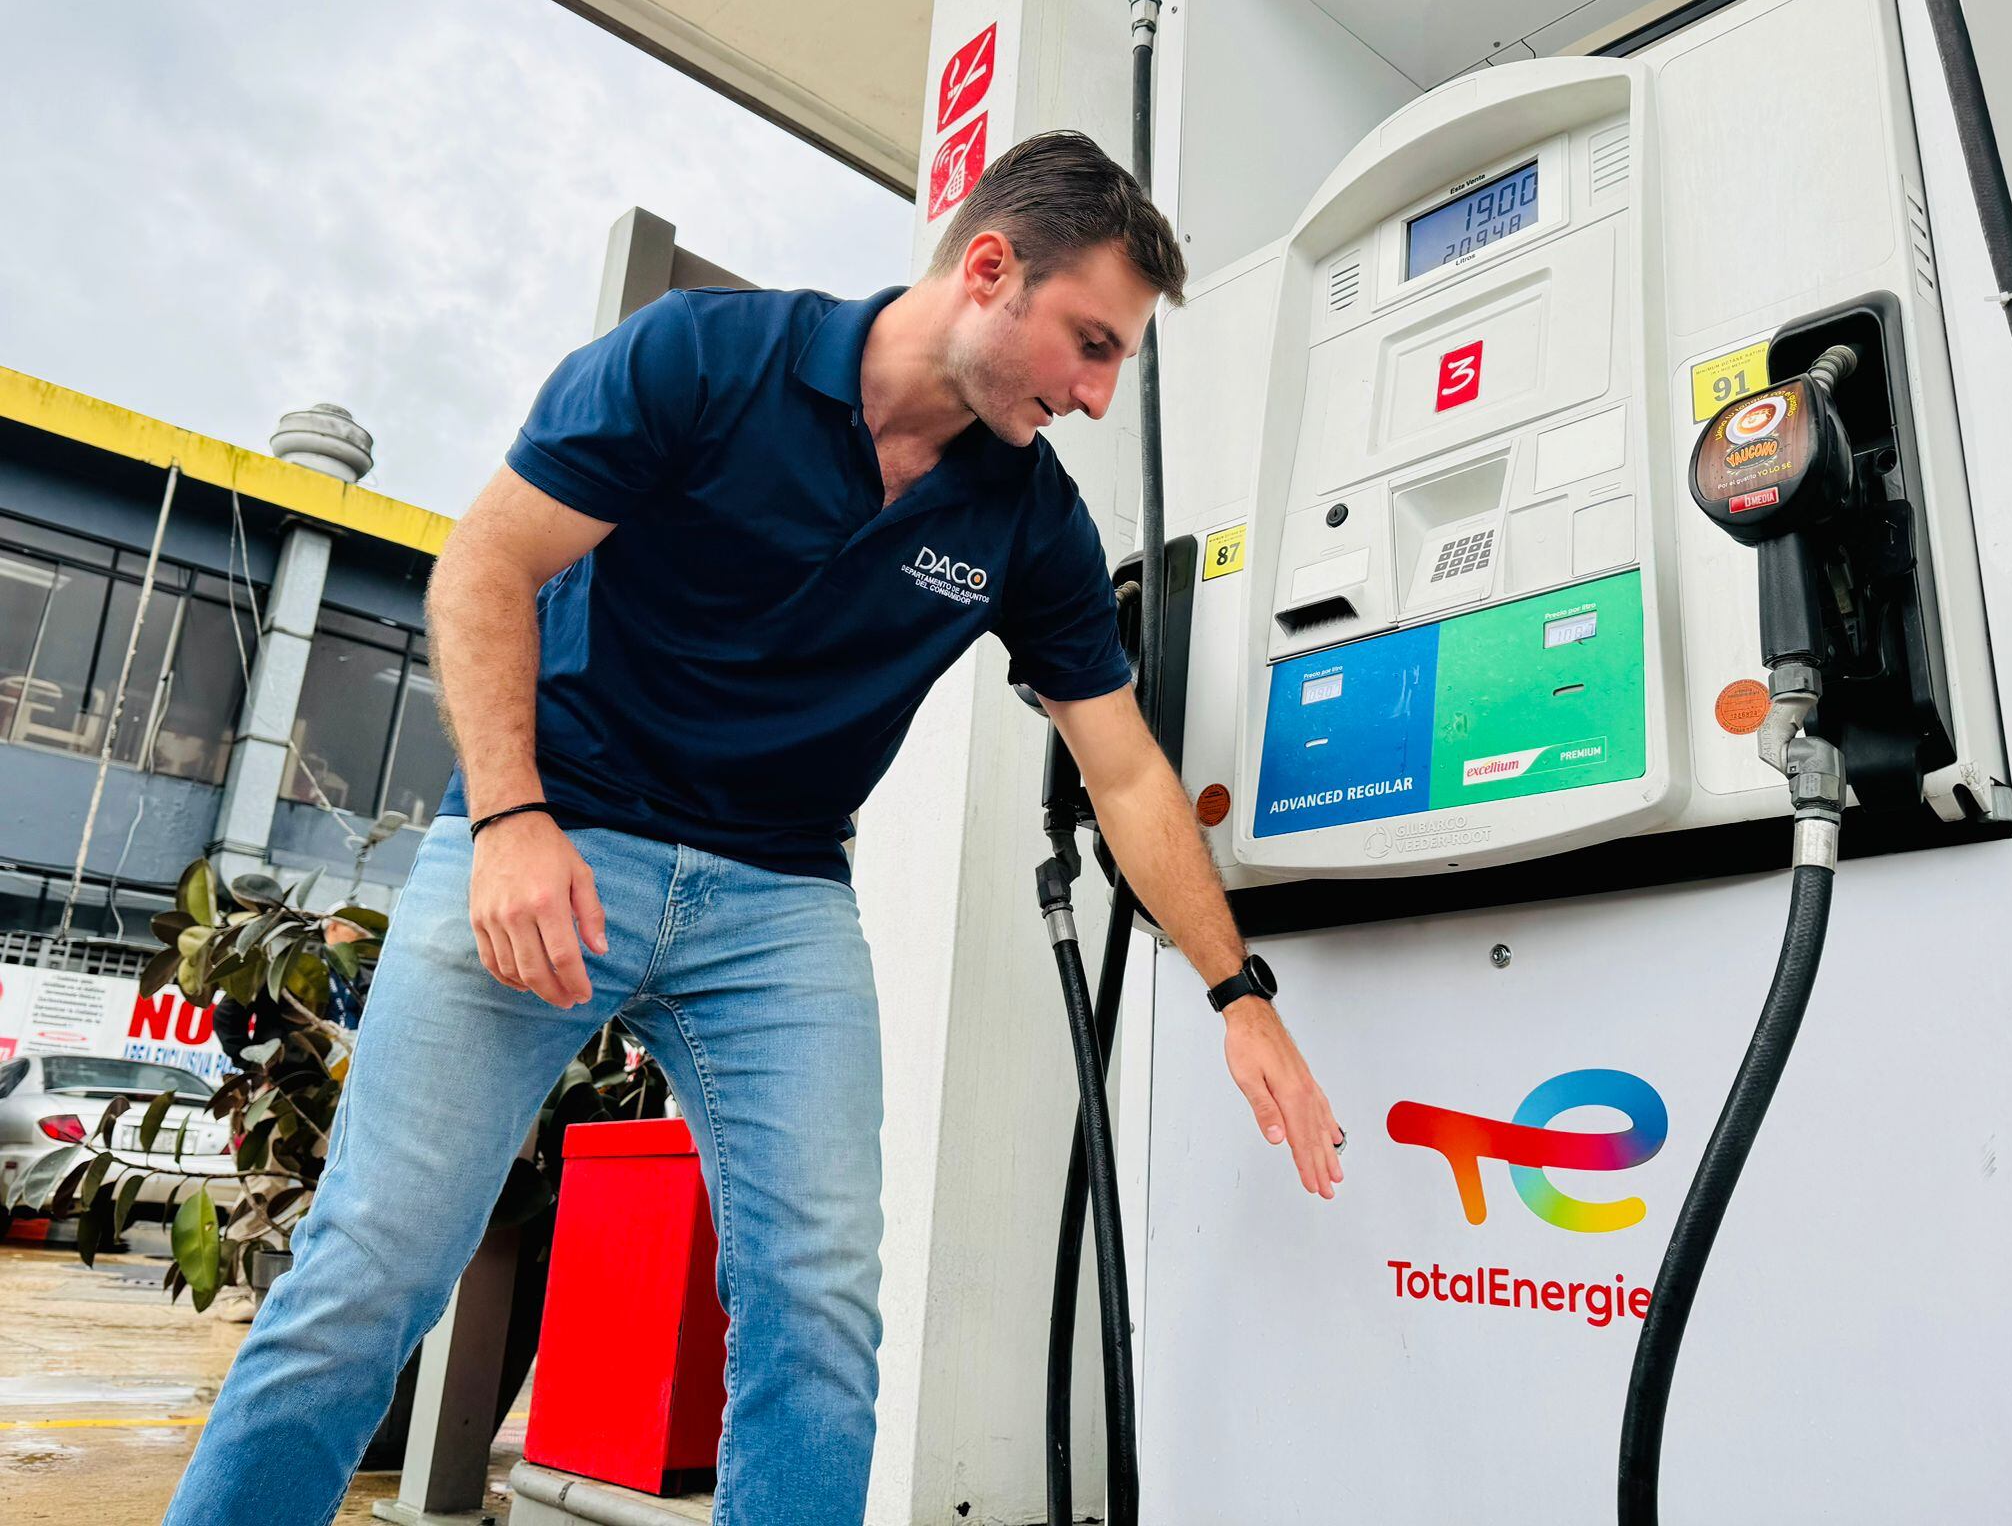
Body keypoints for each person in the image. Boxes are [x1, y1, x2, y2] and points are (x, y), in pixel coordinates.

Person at [162, 130, 1343, 1526]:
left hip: (780, 898)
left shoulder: (1030, 519)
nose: (1096, 394)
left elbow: (1128, 772)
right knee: (372, 1271)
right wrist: (512, 818)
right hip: (558, 832)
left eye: (1116, 363)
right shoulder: (703, 360)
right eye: (1091, 344)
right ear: (988, 269)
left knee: (819, 1305)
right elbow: (487, 565)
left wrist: (1237, 993)